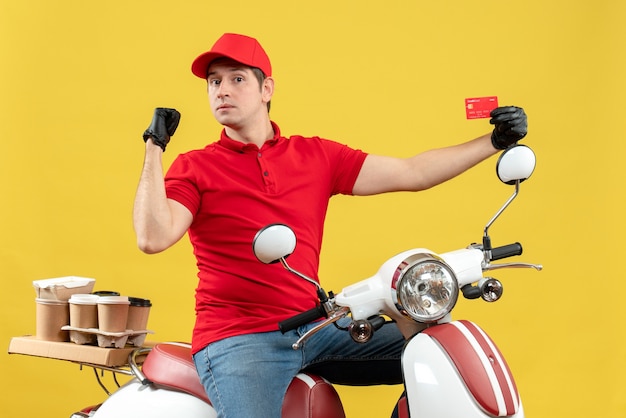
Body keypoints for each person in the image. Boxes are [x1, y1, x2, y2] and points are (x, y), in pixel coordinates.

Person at [133, 33, 528, 418]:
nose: (222, 91)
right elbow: (153, 237)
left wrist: (492, 141)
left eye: (237, 79)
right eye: (214, 82)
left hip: (315, 326)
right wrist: (155, 146)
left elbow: (413, 172)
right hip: (239, 339)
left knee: (440, 351)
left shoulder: (315, 155)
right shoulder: (196, 166)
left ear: (266, 88)